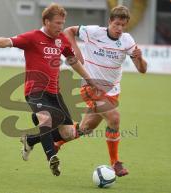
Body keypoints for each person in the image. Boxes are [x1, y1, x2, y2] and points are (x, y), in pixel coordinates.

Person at [0, 3, 103, 176]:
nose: (61, 27)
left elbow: (73, 61)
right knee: (45, 119)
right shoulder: (32, 37)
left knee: (67, 133)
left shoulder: (62, 40)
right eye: (58, 23)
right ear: (46, 21)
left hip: (55, 93)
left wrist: (89, 79)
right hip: (35, 91)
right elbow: (8, 41)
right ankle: (52, 157)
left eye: (63, 23)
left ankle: (31, 139)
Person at [55, 5, 147, 177]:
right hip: (91, 86)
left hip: (112, 91)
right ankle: (115, 163)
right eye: (117, 24)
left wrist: (139, 57)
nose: (119, 28)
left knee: (85, 128)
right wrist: (75, 50)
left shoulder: (127, 40)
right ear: (110, 21)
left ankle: (56, 143)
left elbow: (142, 70)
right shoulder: (94, 32)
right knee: (114, 118)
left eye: (123, 25)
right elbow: (68, 31)